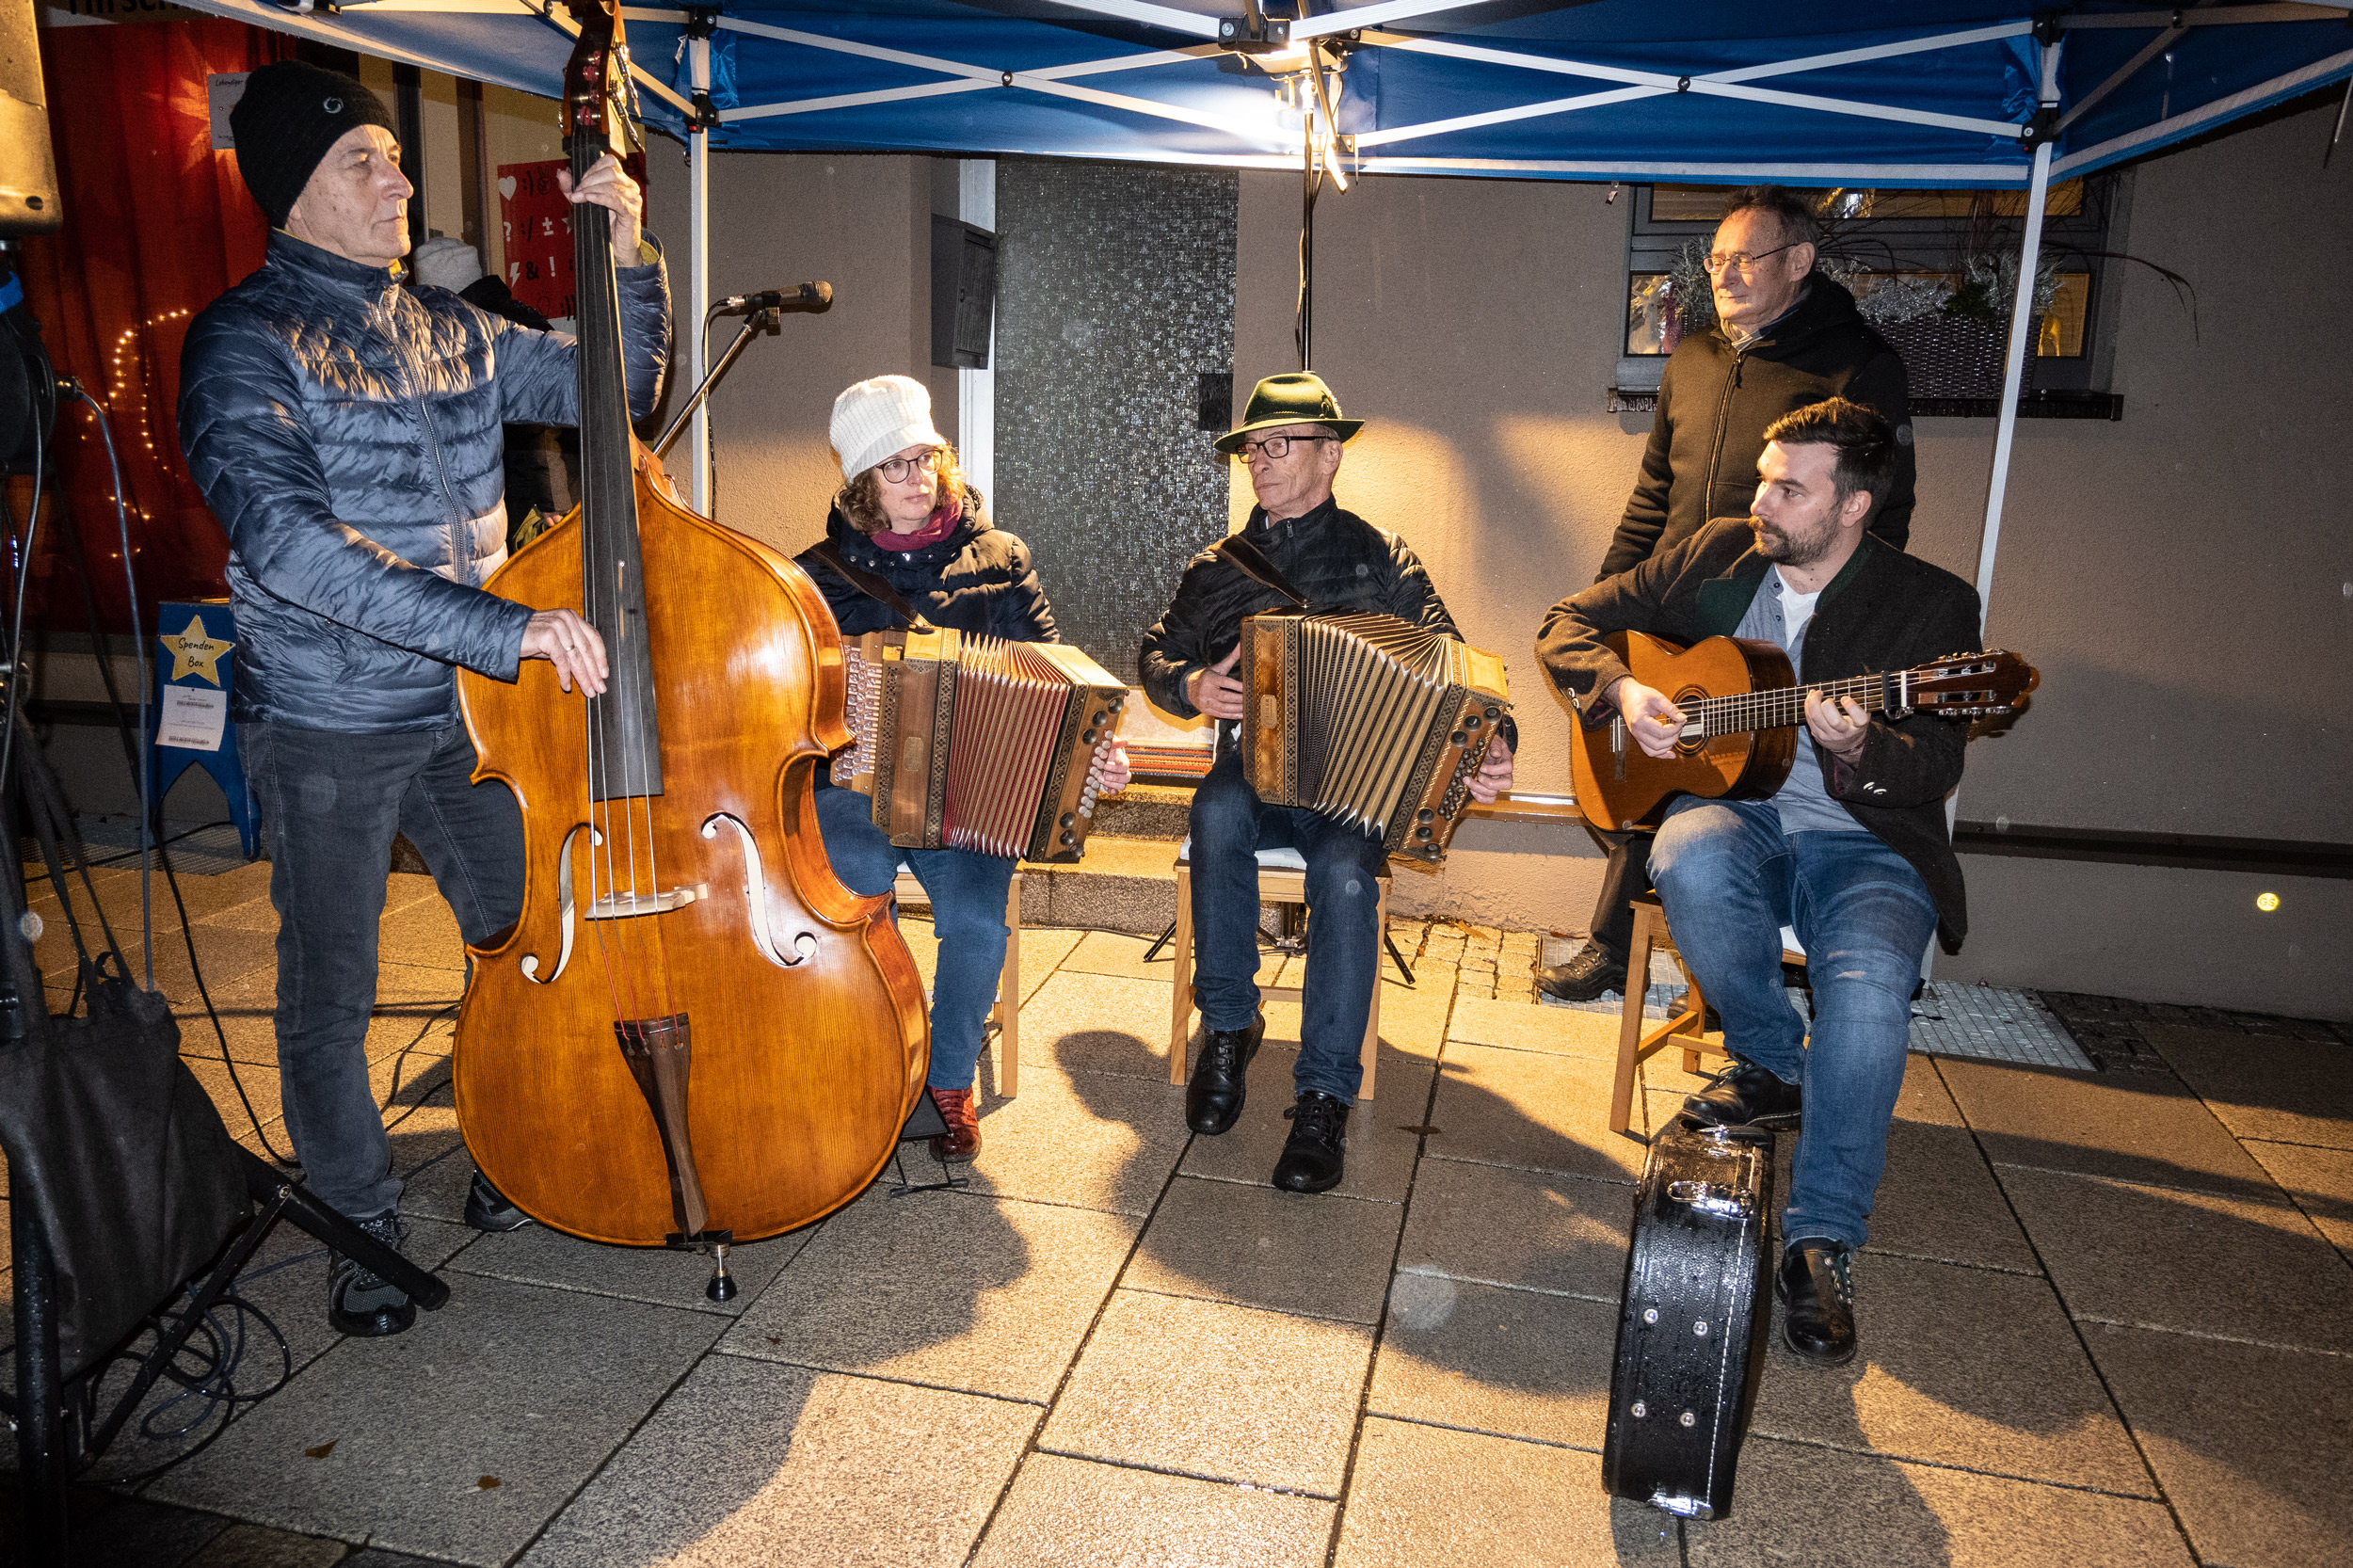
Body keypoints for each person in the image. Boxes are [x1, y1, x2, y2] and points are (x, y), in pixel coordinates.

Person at [179, 60, 669, 1337]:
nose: (396, 177)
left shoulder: (446, 325)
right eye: (364, 161)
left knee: (520, 936)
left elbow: (618, 391)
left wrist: (626, 255)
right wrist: (504, 627)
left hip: (463, 716)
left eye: (397, 156)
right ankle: (359, 1223)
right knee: (328, 992)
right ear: (292, 190)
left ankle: (506, 1138)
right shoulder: (244, 340)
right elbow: (289, 545)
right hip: (329, 719)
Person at [1534, 398, 1979, 1365]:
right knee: (1685, 853)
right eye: (1762, 477)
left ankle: (1820, 1241)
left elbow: (1932, 768)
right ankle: (1776, 1063)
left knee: (1866, 1008)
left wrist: (1862, 742)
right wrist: (1623, 690)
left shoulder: (1930, 607)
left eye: (1788, 485)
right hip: (1742, 818)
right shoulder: (1713, 556)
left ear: (1854, 505)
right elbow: (1565, 621)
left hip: (1867, 842)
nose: (1760, 500)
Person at [1141, 373, 1513, 1193]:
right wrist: (1193, 687)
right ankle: (1230, 1027)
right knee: (1218, 807)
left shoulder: (1383, 557)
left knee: (1347, 876)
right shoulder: (1218, 569)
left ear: (1330, 454)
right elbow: (1158, 653)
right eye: (1251, 449)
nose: (1260, 463)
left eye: (1279, 445)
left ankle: (1322, 1095)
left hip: (1356, 787)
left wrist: (1495, 743)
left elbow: (1459, 664)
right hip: (1259, 771)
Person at [1545, 185, 1916, 1005]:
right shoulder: (1696, 360)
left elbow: (1885, 510)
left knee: (1733, 772)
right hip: (1683, 591)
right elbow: (1652, 493)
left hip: (1777, 611)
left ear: (1799, 262)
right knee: (1650, 748)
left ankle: (1731, 968)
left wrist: (1839, 617)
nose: (1724, 275)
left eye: (1743, 258)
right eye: (1715, 260)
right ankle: (1619, 944)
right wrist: (1612, 601)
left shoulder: (1857, 365)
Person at [797, 375, 1129, 1163]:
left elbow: (1057, 672)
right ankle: (867, 1057)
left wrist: (1095, 752)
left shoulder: (1001, 557)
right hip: (855, 791)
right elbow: (790, 699)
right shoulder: (811, 575)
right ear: (862, 487)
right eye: (896, 468)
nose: (918, 481)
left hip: (968, 796)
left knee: (979, 922)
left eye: (927, 459)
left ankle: (947, 1080)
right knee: (845, 902)